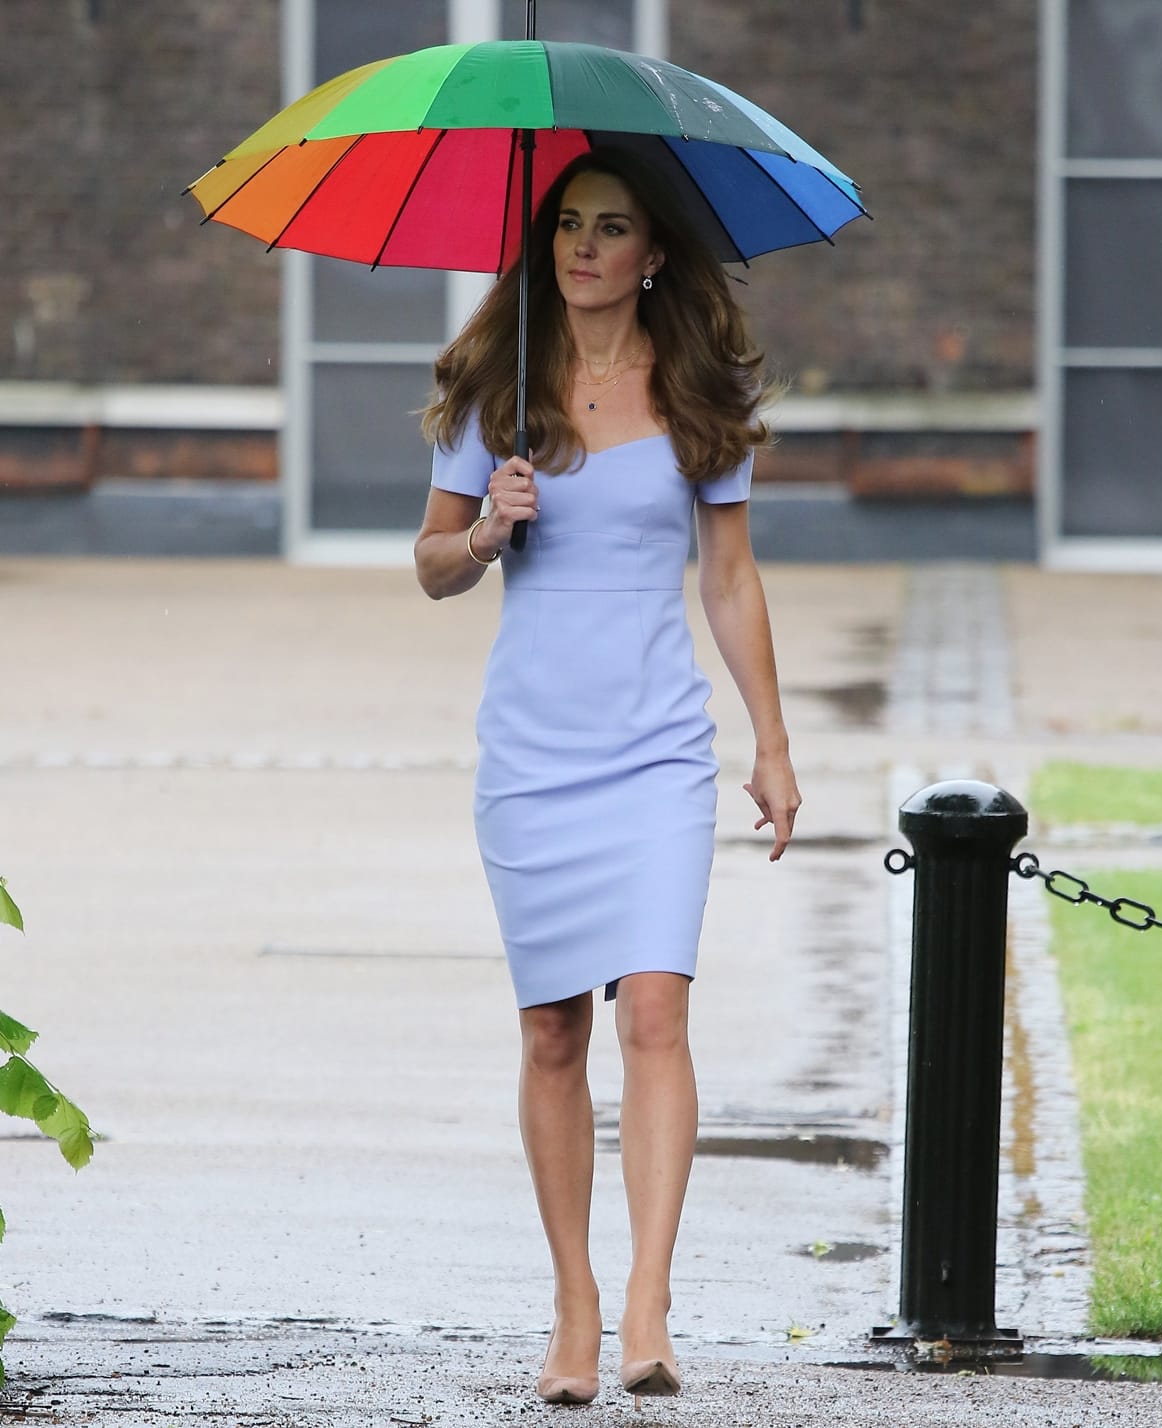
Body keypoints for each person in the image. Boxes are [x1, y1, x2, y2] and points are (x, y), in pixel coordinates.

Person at [414, 148, 801, 1409]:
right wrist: (484, 530)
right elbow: (429, 566)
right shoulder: (496, 393)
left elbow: (729, 579)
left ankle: (648, 1300)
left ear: (655, 255)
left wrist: (774, 744)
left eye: (611, 228)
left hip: (655, 754)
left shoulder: (700, 395)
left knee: (653, 1013)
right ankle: (574, 1301)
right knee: (549, 1033)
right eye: (568, 226)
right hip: (533, 755)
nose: (584, 247)